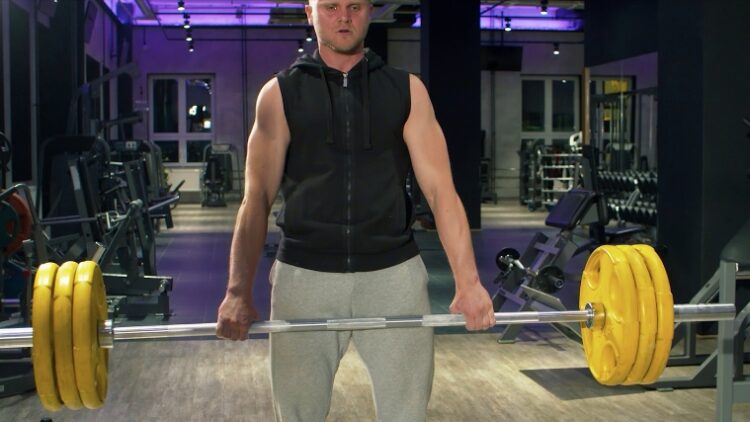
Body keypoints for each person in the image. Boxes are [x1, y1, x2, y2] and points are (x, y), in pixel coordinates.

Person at [216, 0, 496, 420]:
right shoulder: (279, 95)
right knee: (298, 416)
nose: (343, 16)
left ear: (370, 12)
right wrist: (237, 292)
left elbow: (441, 193)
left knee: (407, 415)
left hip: (393, 276)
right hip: (304, 279)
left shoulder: (407, 91)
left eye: (355, 6)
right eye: (330, 7)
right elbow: (255, 200)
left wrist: (468, 283)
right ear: (310, 13)